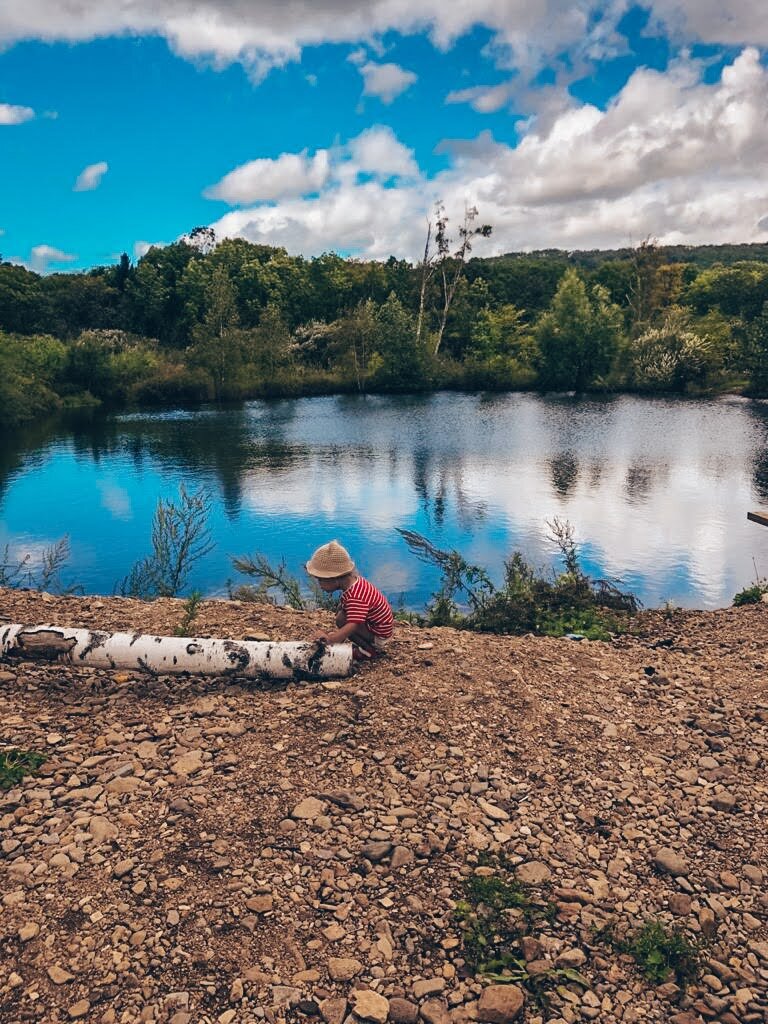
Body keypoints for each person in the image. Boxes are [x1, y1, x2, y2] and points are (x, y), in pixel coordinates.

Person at [306, 540, 394, 657]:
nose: (320, 585)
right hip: (374, 628)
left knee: (342, 620)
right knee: (342, 615)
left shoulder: (356, 595)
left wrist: (331, 639)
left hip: (379, 635)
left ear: (335, 578)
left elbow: (354, 624)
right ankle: (363, 644)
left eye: (321, 580)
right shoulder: (355, 582)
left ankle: (368, 650)